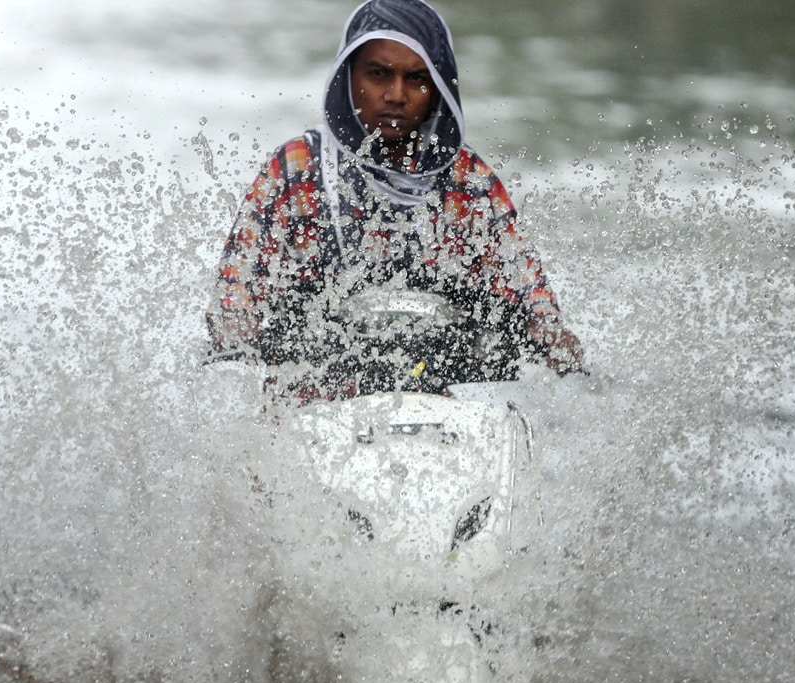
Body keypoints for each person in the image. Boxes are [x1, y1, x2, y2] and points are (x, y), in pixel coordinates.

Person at [205, 0, 585, 402]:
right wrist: (235, 323)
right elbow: (236, 285)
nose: (396, 95)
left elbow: (528, 291)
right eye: (378, 74)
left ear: (438, 87)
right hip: (311, 400)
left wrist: (549, 332)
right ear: (348, 77)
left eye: (417, 79)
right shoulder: (296, 169)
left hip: (439, 400)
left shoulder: (469, 182)